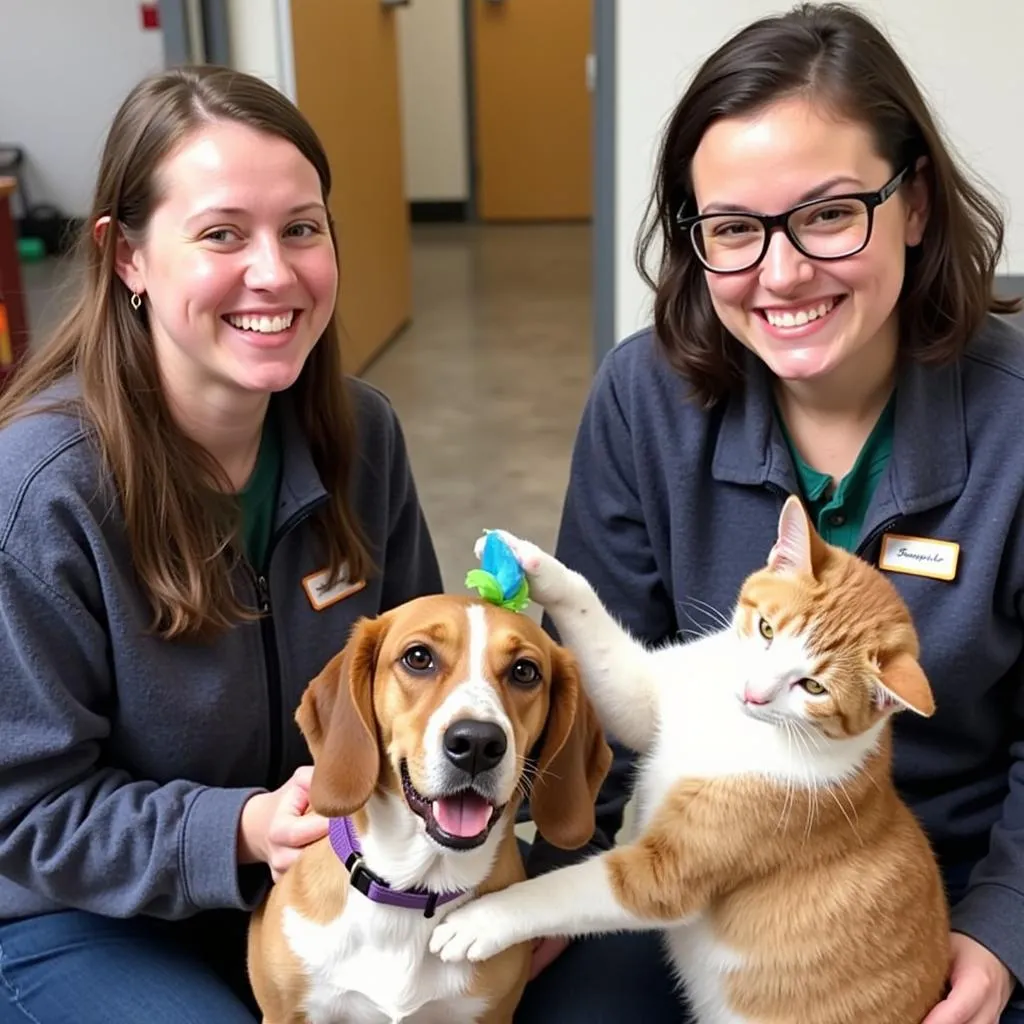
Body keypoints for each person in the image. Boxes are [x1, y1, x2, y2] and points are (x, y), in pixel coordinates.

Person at [530, 3, 1024, 1023]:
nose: (782, 271)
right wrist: (553, 879)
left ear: (915, 203)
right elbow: (601, 710)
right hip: (696, 849)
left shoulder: (1016, 419)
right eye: (732, 230)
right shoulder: (642, 399)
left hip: (944, 876)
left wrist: (1002, 927)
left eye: (830, 213)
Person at [0, 66, 444, 1022]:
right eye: (220, 234)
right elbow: (23, 814)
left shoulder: (362, 437)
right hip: (76, 916)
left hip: (318, 882)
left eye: (302, 228)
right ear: (126, 256)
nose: (275, 272)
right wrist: (236, 830)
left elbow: (425, 690)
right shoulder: (38, 492)